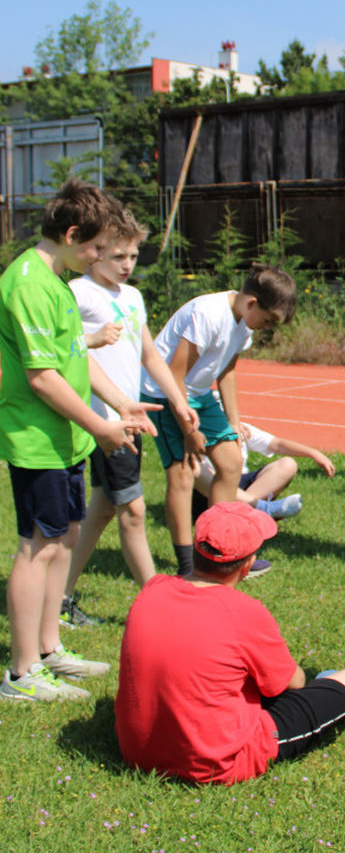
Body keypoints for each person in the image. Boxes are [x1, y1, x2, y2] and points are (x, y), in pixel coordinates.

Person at [0, 179, 159, 703]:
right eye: (95, 247)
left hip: (65, 438)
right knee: (38, 548)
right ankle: (22, 672)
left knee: (64, 538)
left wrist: (122, 405)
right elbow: (44, 377)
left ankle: (49, 649)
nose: (99, 257)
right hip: (36, 437)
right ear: (71, 235)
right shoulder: (28, 283)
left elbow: (76, 357)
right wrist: (102, 428)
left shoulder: (58, 281)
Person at [114, 501, 345, 783]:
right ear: (248, 565)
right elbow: (293, 684)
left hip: (138, 751)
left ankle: (335, 683)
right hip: (216, 761)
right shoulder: (242, 611)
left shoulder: (153, 589)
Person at [62, 211, 200, 626]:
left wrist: (178, 400)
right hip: (98, 419)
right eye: (119, 255)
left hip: (129, 417)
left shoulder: (133, 297)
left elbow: (149, 355)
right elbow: (63, 347)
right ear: (95, 252)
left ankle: (61, 596)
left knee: (104, 508)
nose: (127, 264)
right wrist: (89, 339)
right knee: (134, 510)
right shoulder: (78, 292)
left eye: (134, 255)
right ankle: (158, 604)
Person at [141, 264, 297, 577]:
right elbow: (174, 374)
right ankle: (189, 567)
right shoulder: (208, 314)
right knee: (183, 475)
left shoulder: (243, 324)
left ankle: (221, 553)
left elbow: (227, 371)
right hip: (165, 393)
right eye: (267, 320)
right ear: (252, 302)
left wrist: (234, 421)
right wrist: (189, 430)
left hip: (197, 392)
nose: (266, 327)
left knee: (228, 463)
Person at [190, 419, 335, 578]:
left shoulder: (237, 426)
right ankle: (262, 509)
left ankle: (249, 513)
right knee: (195, 469)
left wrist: (313, 453)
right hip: (208, 492)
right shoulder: (197, 428)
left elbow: (277, 444)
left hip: (240, 485)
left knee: (288, 464)